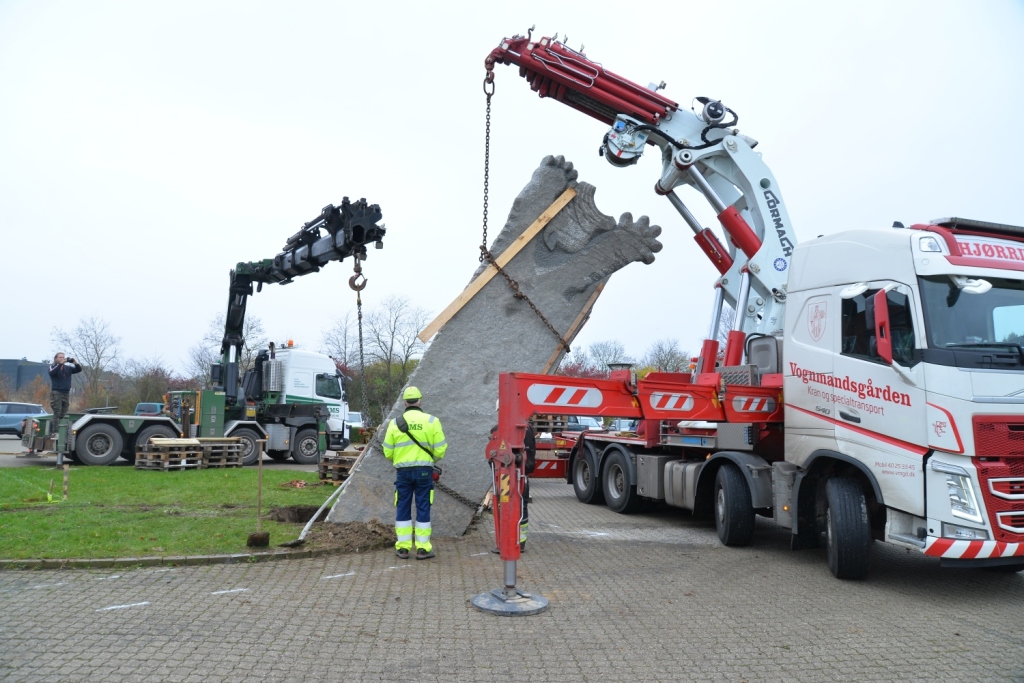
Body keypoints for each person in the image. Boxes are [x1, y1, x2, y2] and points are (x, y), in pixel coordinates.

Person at [382, 386, 447, 560]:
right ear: (420, 401)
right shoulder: (432, 421)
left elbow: (387, 451)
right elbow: (440, 450)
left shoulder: (395, 423)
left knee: (402, 507)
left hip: (403, 472)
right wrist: (430, 460)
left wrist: (400, 459)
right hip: (424, 472)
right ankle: (423, 549)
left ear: (404, 402)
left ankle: (403, 548)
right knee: (423, 507)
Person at [491, 423, 535, 553]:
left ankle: (505, 541)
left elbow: (494, 455)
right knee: (522, 507)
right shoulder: (528, 429)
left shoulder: (502, 428)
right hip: (522, 475)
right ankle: (520, 542)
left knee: (505, 505)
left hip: (507, 476)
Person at [48, 353, 82, 433]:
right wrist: (60, 364)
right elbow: (52, 373)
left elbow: (78, 370)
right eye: (60, 357)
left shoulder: (67, 368)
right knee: (57, 411)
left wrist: (75, 362)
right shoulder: (52, 367)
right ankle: (55, 431)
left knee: (64, 411)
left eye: (63, 357)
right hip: (56, 392)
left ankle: (59, 428)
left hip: (66, 392)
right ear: (56, 359)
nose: (62, 358)